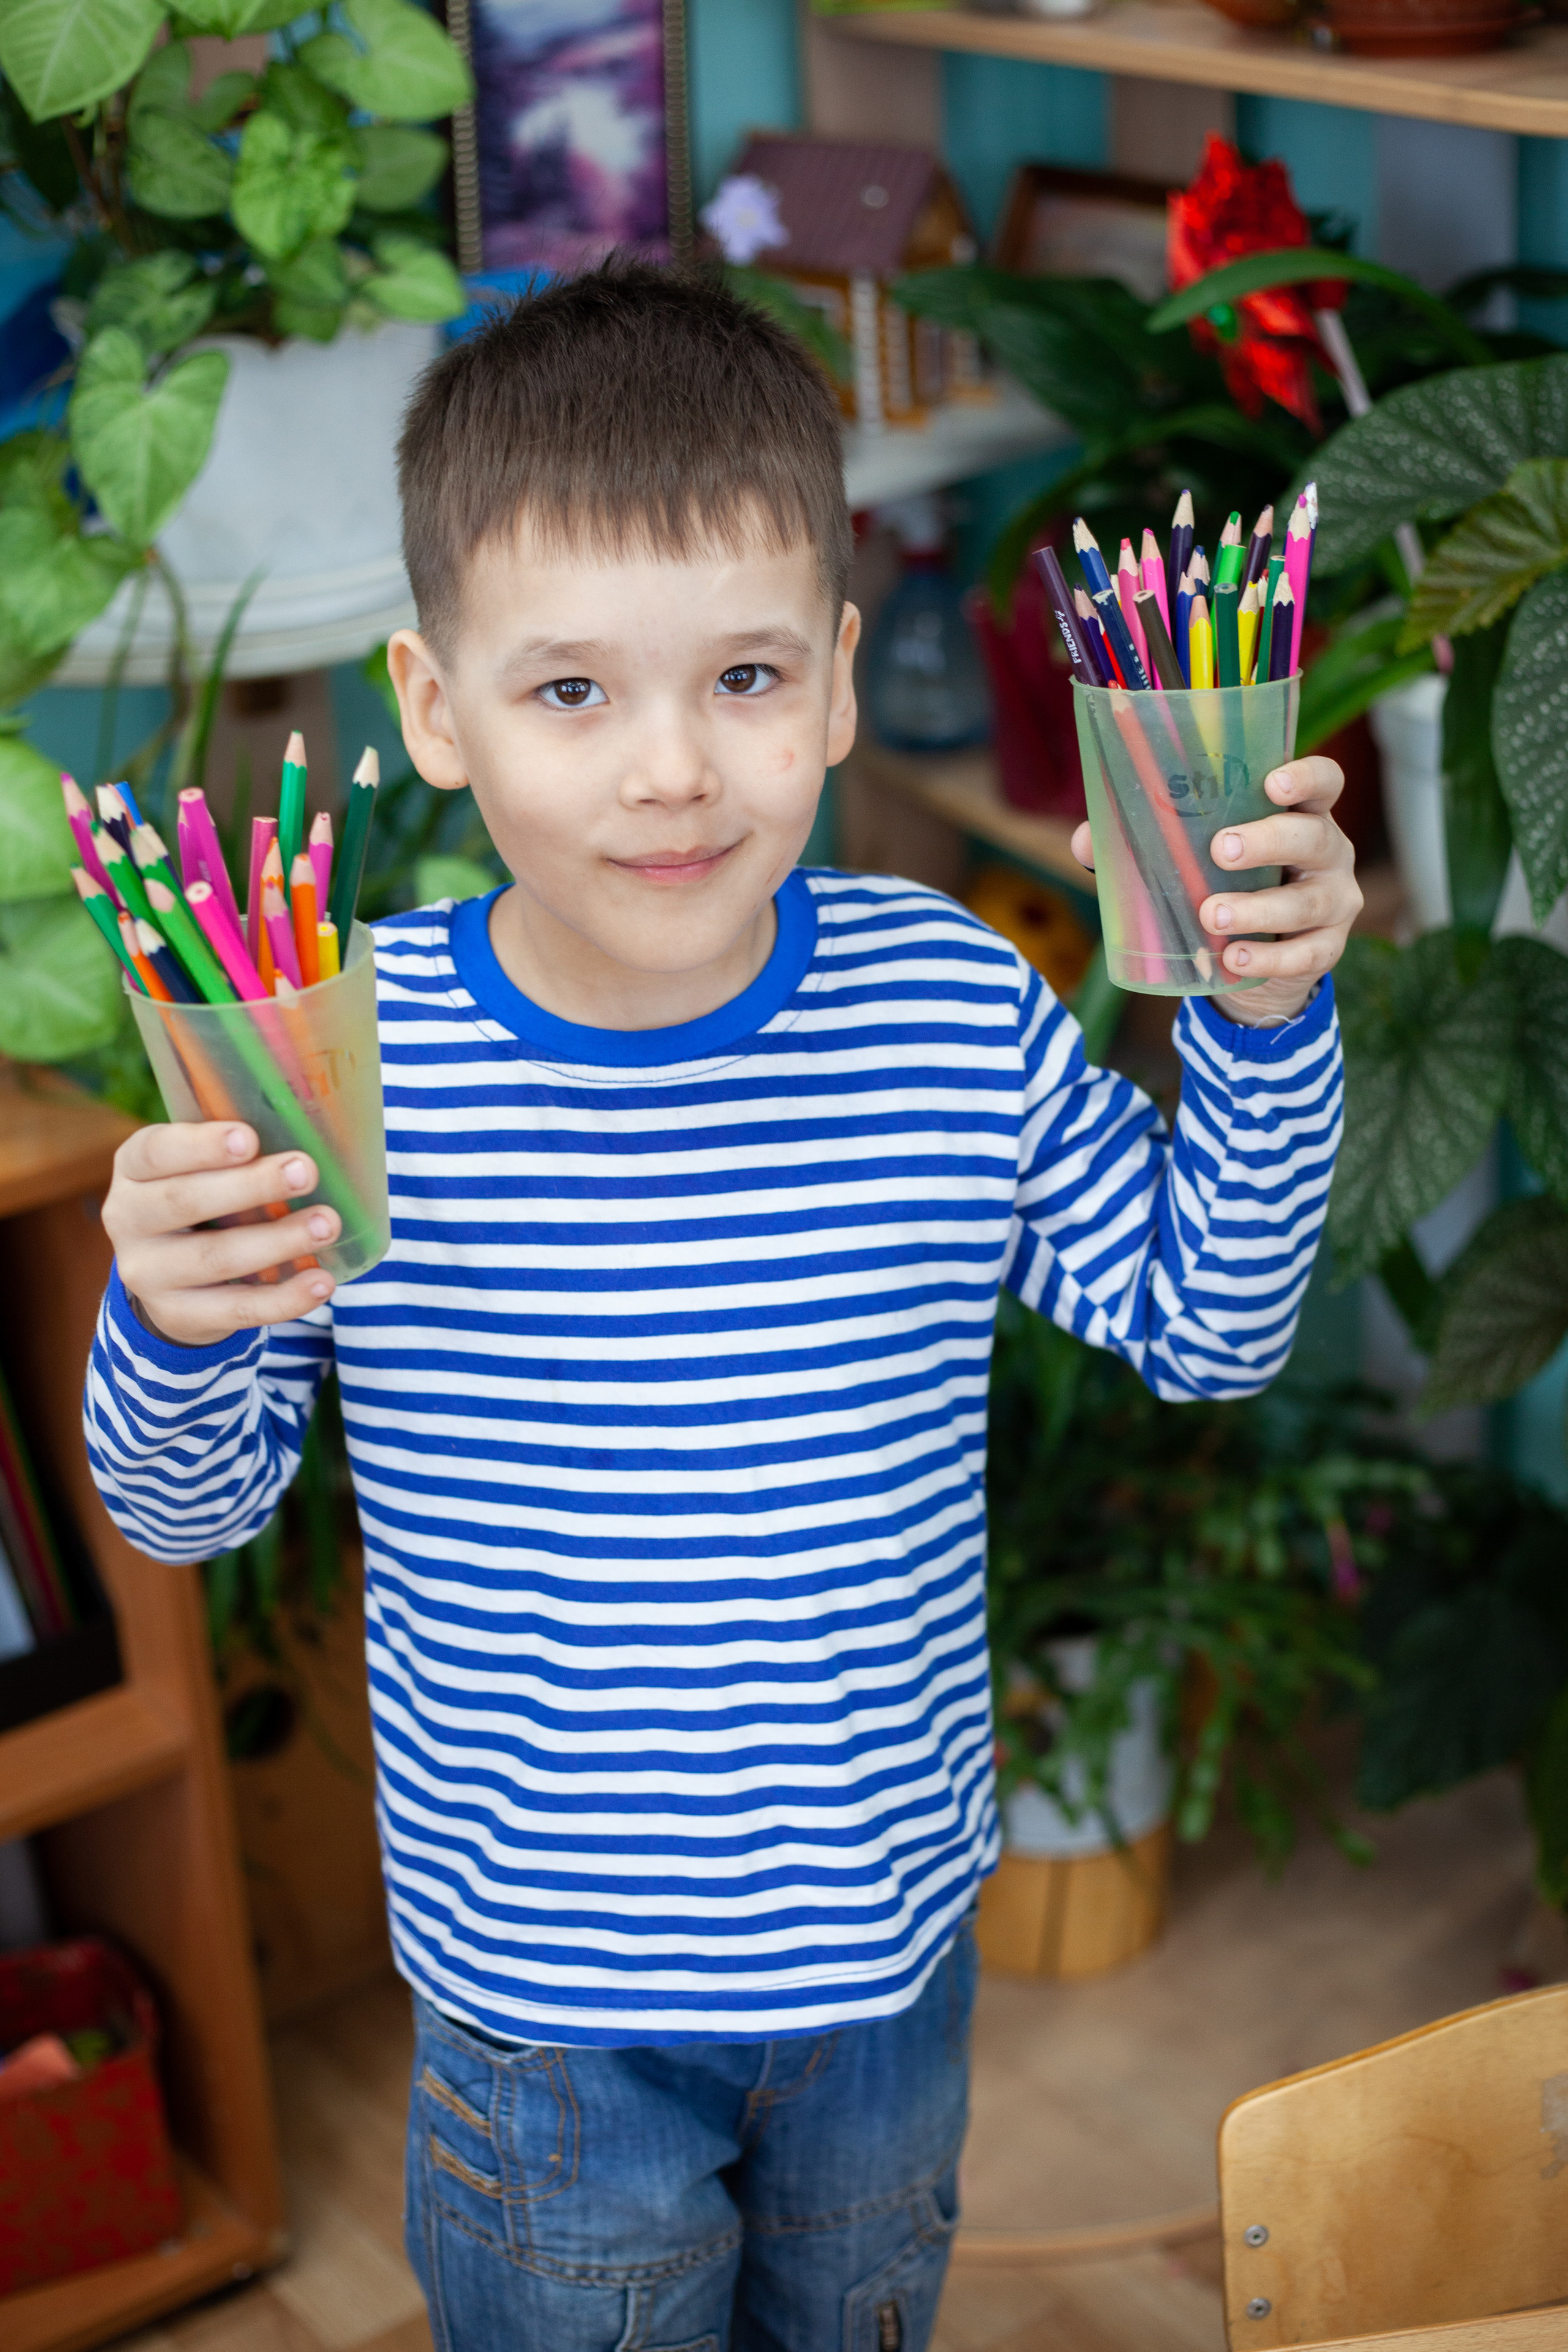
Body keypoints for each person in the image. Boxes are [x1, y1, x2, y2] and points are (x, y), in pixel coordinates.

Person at [85, 263, 1359, 2352]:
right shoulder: (350, 1067)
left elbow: (1205, 1324)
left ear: (843, 680)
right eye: (570, 693)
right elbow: (186, 1509)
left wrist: (1264, 1020)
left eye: (746, 677)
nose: (674, 772)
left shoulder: (950, 1004)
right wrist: (179, 1314)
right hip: (547, 2029)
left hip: (885, 1979)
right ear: (432, 705)